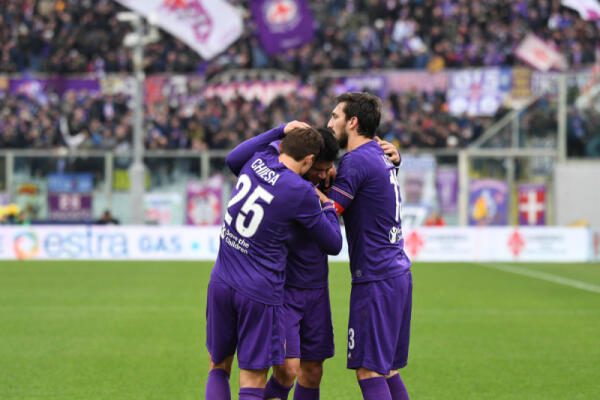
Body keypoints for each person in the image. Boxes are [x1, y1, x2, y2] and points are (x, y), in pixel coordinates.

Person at [205, 125, 343, 400]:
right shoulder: (300, 191)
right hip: (259, 290)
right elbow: (334, 243)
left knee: (218, 366)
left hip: (221, 279)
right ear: (309, 160)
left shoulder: (258, 160)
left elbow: (233, 158)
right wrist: (328, 205)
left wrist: (280, 129)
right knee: (253, 378)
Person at [324, 92, 413, 400]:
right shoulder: (379, 154)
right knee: (386, 369)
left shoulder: (356, 160)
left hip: (376, 278)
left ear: (353, 122)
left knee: (368, 370)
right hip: (396, 273)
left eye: (335, 116)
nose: (330, 123)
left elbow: (331, 211)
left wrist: (302, 188)